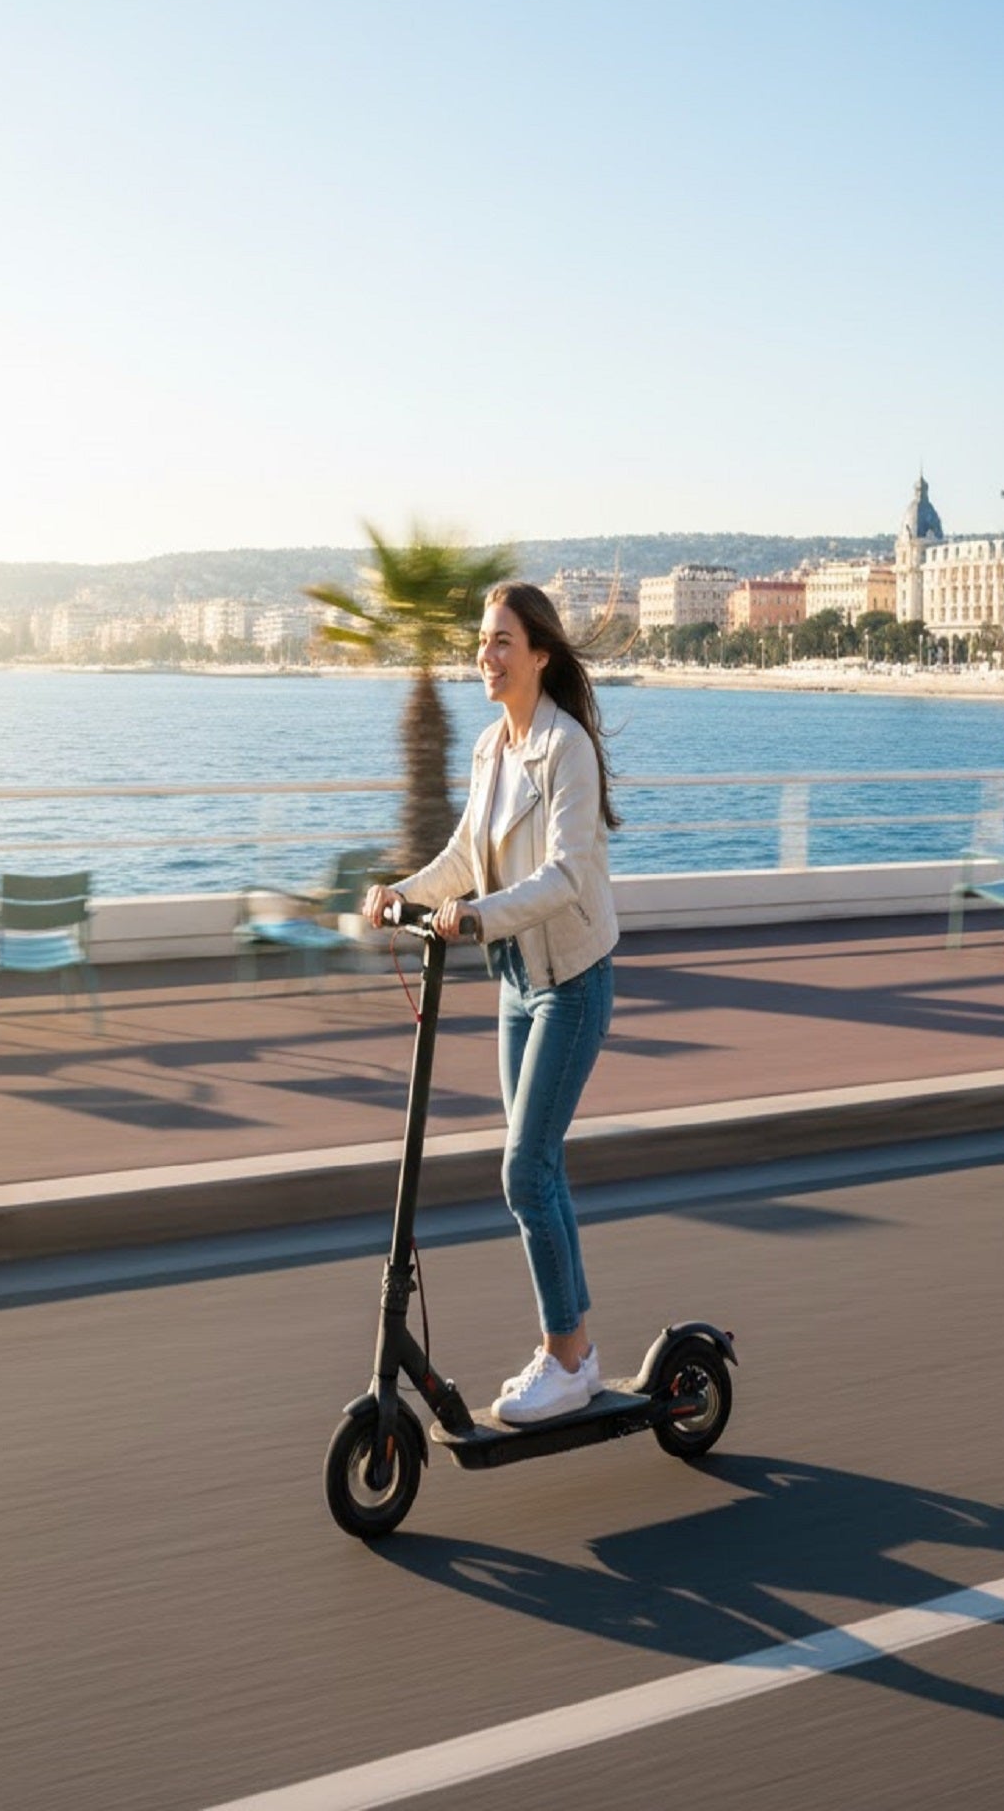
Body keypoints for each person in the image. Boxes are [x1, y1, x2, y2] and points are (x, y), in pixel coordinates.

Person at [362, 582, 621, 1425]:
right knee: (538, 1168)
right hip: (517, 982)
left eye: (503, 640)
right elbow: (463, 854)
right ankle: (573, 1348)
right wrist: (399, 894)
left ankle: (568, 1358)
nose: (487, 654)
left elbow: (568, 877)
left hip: (572, 984)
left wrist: (477, 915)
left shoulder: (565, 748)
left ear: (540, 654)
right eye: (483, 640)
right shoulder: (491, 751)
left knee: (524, 1169)